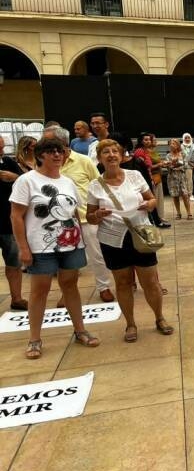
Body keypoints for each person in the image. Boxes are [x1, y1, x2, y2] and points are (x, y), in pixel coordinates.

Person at [10, 136, 100, 359]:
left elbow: (74, 214)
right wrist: (23, 248)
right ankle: (34, 339)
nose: (57, 155)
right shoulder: (26, 181)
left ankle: (80, 330)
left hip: (71, 243)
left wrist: (81, 240)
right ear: (40, 155)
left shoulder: (67, 182)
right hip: (40, 246)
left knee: (70, 285)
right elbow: (16, 216)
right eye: (51, 151)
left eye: (60, 151)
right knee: (39, 290)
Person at [86, 139, 173, 342]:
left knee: (150, 282)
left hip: (140, 235)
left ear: (121, 155)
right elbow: (89, 216)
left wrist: (149, 205)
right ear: (99, 158)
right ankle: (130, 324)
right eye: (105, 152)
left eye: (115, 151)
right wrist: (98, 214)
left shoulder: (134, 176)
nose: (111, 155)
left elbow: (151, 199)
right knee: (123, 283)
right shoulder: (95, 185)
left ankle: (159, 318)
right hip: (112, 240)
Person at [48, 126, 115, 304]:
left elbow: (98, 184)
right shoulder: (47, 164)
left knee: (96, 255)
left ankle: (104, 287)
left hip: (87, 217)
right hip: (59, 220)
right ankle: (67, 292)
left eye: (48, 140)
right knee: (65, 259)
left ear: (61, 141)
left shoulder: (83, 161)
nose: (44, 144)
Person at [0, 135, 27, 310]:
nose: (2, 150)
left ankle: (16, 298)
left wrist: (14, 177)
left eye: (2, 147)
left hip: (7, 222)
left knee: (13, 263)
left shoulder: (8, 162)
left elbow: (25, 180)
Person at [165, 138, 192, 220]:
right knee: (175, 195)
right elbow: (168, 168)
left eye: (174, 143)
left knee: (185, 195)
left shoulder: (182, 154)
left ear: (177, 145)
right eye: (170, 144)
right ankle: (178, 213)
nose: (172, 145)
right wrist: (172, 164)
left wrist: (177, 165)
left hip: (181, 176)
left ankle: (189, 213)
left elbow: (186, 165)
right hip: (172, 177)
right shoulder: (168, 155)